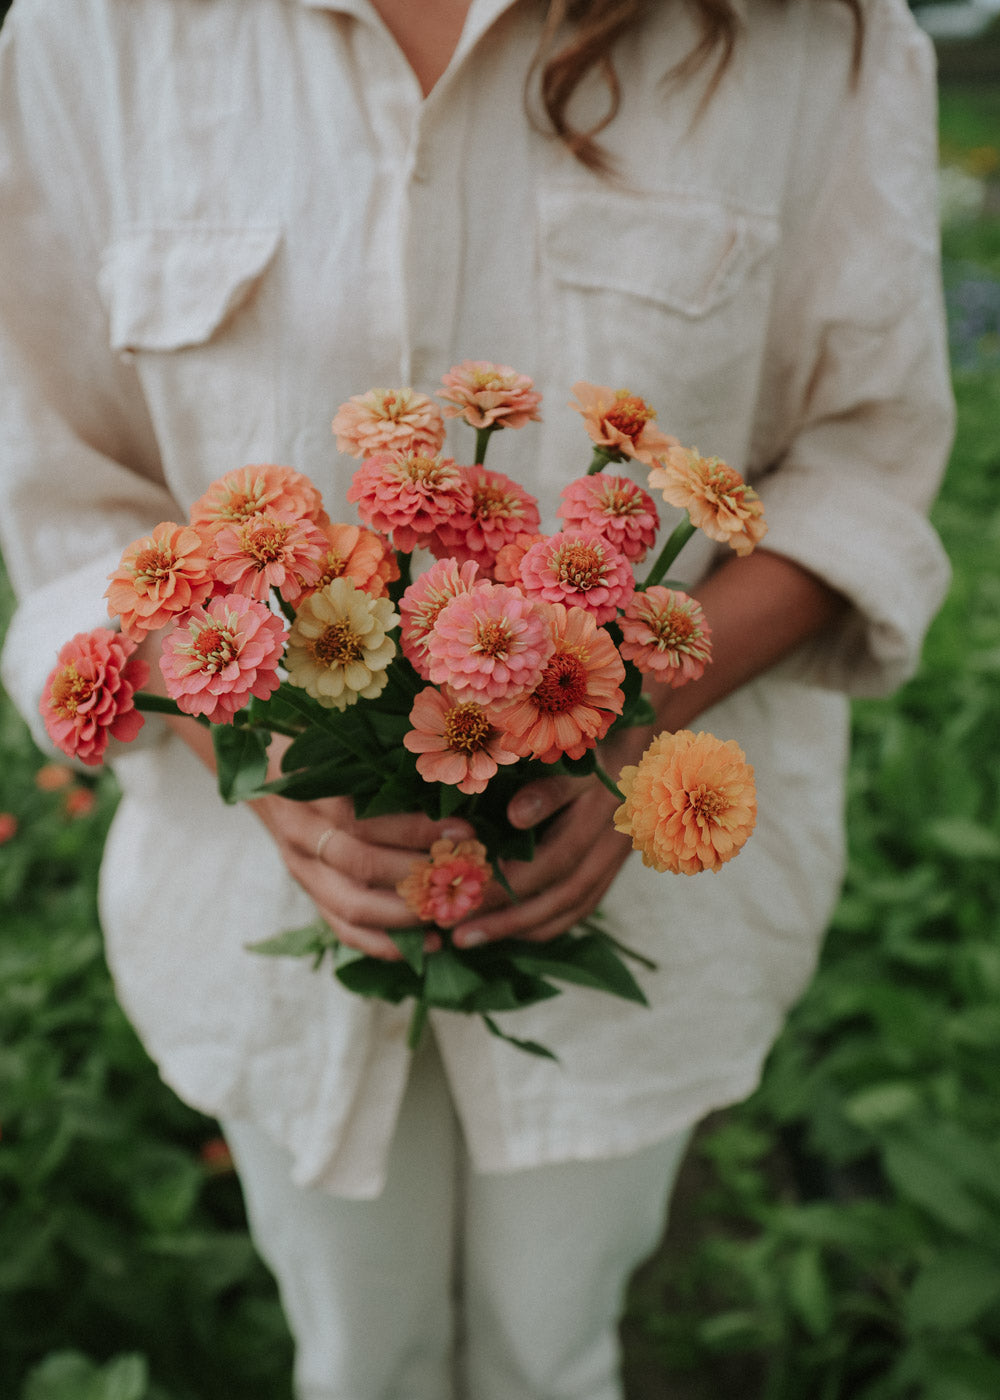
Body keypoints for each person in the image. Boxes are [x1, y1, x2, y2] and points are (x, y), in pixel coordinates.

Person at [0, 0, 953, 1396]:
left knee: (555, 1352)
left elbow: (863, 466)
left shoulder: (812, 32)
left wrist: (628, 723)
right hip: (264, 903)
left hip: (646, 896)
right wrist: (255, 730)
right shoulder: (93, 33)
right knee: (357, 1357)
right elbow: (69, 514)